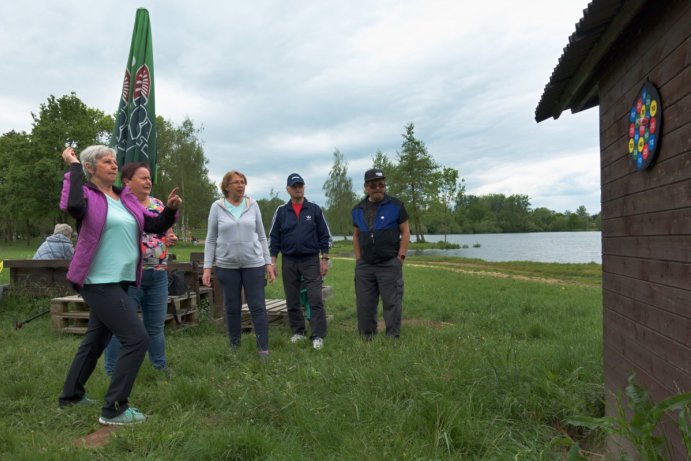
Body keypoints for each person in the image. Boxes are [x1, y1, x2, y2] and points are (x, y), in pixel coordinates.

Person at [57, 145, 181, 426]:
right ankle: (114, 409)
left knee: (95, 341)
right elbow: (72, 205)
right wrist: (74, 165)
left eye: (115, 161)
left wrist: (170, 211)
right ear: (91, 168)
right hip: (99, 280)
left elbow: (154, 224)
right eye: (106, 162)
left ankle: (70, 396)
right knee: (137, 338)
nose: (114, 166)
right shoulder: (87, 195)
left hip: (121, 280)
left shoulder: (124, 199)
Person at [103, 162, 177, 379]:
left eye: (149, 178)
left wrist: (169, 238)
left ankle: (160, 369)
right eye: (143, 178)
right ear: (127, 182)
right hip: (129, 276)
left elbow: (165, 230)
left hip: (158, 274)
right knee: (121, 328)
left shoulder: (157, 203)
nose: (148, 181)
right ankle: (112, 371)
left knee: (155, 328)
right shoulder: (120, 205)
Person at [202, 170, 275, 357]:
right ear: (226, 186)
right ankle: (235, 347)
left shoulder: (253, 205)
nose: (240, 185)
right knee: (232, 307)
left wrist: (268, 263)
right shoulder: (217, 207)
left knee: (257, 306)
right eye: (236, 182)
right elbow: (210, 239)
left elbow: (261, 236)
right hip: (227, 266)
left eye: (243, 182)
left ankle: (263, 349)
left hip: (254, 264)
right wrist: (207, 268)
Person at [269, 173, 332, 350]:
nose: (298, 189)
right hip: (289, 261)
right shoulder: (281, 211)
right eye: (294, 186)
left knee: (314, 297)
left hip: (310, 260)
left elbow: (325, 236)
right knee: (292, 299)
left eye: (300, 186)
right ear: (288, 189)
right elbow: (274, 238)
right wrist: (273, 263)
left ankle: (318, 335)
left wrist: (324, 259)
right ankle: (298, 331)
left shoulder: (314, 209)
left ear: (304, 187)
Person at [351, 168, 410, 339]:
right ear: (366, 187)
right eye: (373, 185)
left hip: (389, 263)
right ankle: (367, 337)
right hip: (365, 266)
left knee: (392, 303)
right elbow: (355, 235)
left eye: (381, 184)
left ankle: (392, 337)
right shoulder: (357, 210)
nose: (377, 188)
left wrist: (400, 258)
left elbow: (405, 232)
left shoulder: (396, 205)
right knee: (364, 305)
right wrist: (358, 258)